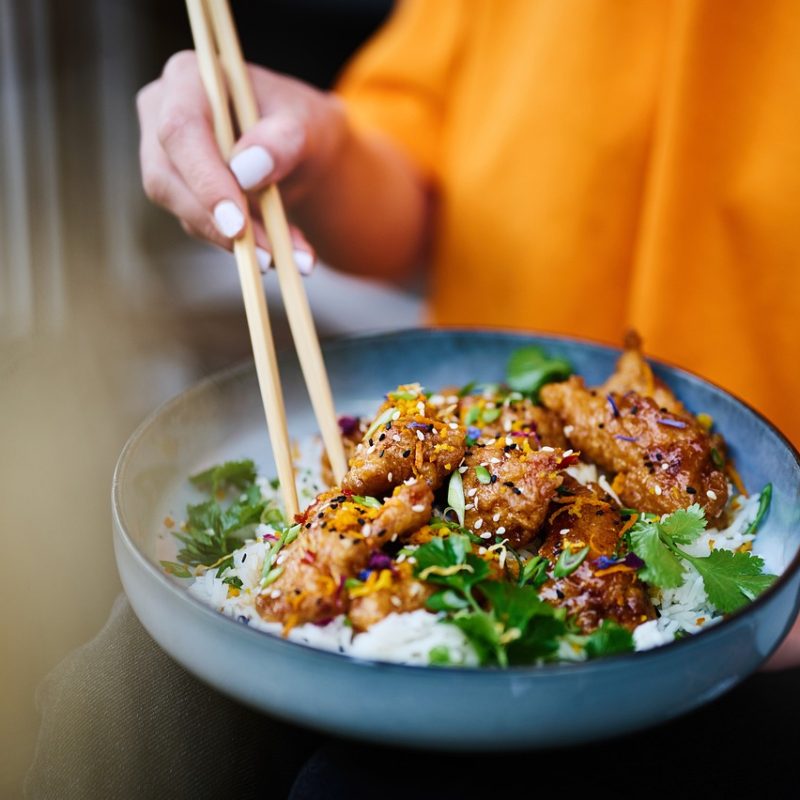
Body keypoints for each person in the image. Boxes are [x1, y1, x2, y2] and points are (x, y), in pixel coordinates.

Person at [137, 0, 800, 667]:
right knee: (127, 683)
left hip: (764, 629)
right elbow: (415, 173)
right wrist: (314, 149)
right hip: (494, 426)